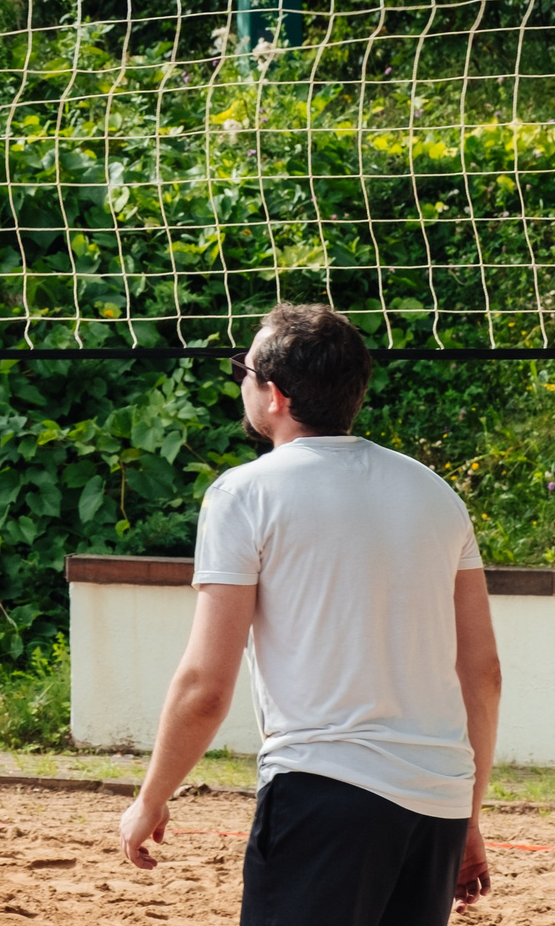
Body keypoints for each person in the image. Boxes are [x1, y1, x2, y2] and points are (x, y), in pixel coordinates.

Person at [118, 303, 502, 924]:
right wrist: (468, 817)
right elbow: (483, 673)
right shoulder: (436, 494)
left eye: (243, 369)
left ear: (274, 395)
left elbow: (204, 687)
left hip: (323, 790)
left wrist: (150, 799)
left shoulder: (244, 493)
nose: (239, 380)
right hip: (439, 804)